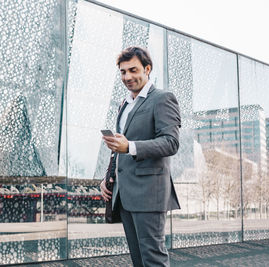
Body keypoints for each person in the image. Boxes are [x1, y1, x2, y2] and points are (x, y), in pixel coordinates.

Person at [100, 46, 181, 267]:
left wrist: (130, 147)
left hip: (149, 193)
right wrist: (108, 177)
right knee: (138, 259)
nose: (127, 77)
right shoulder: (124, 104)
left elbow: (171, 142)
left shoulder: (162, 98)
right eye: (123, 72)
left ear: (147, 69)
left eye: (133, 70)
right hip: (124, 193)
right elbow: (119, 147)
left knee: (153, 258)